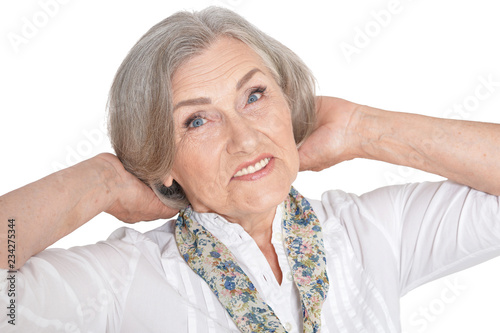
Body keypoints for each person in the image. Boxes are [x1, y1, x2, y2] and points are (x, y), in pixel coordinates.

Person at [1, 5, 500, 333]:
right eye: (197, 120)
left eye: (254, 95)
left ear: (289, 104)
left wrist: (363, 128)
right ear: (162, 159)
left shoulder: (369, 231)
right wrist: (101, 181)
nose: (244, 138)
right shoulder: (122, 277)